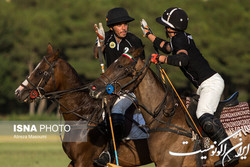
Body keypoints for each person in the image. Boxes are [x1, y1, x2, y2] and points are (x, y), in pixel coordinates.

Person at [140, 7, 239, 167]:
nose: (165, 28)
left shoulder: (178, 39)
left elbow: (182, 60)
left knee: (203, 114)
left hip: (211, 83)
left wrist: (161, 59)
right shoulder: (179, 38)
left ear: (172, 28)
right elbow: (166, 46)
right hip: (206, 84)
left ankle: (229, 153)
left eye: (166, 25)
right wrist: (149, 35)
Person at [93, 7, 145, 166]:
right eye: (119, 25)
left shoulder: (134, 41)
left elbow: (141, 68)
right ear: (111, 27)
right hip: (109, 87)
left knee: (117, 110)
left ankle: (111, 152)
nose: (124, 27)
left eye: (125, 24)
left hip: (130, 88)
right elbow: (97, 54)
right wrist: (100, 41)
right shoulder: (106, 37)